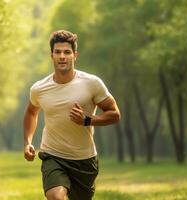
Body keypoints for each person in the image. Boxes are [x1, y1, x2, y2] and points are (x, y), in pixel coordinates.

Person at [23, 30, 120, 200]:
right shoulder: (39, 88)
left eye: (67, 52)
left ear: (75, 55)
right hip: (53, 155)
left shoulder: (92, 83)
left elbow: (114, 114)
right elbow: (31, 112)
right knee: (56, 197)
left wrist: (88, 120)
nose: (62, 56)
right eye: (58, 52)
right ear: (51, 55)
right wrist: (28, 142)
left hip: (84, 159)